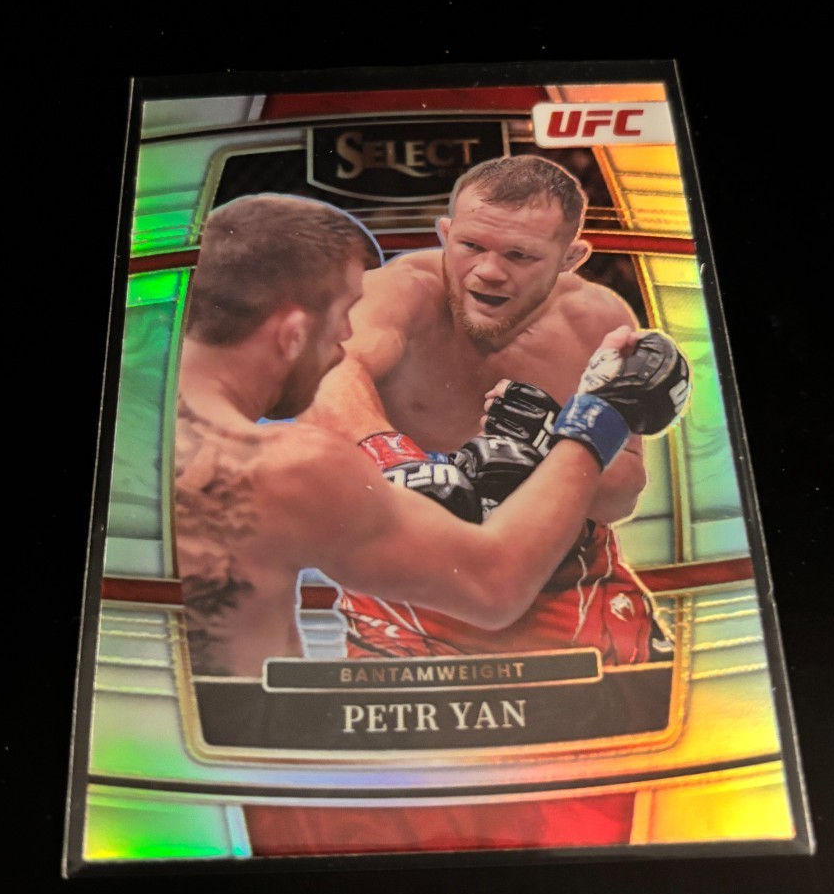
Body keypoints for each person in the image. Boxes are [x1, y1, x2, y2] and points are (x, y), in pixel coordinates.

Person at [174, 193, 682, 680]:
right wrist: (600, 413)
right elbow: (494, 585)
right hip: (270, 713)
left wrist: (540, 445)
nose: (345, 340)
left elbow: (622, 492)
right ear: (292, 333)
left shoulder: (149, 441)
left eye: (520, 255)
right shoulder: (292, 469)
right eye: (341, 321)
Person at [307, 155, 680, 665]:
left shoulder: (596, 321)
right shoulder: (400, 291)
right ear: (445, 233)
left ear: (570, 257)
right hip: (411, 583)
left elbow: (622, 495)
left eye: (520, 255)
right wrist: (395, 461)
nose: (488, 271)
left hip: (565, 579)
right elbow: (327, 377)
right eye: (470, 246)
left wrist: (557, 443)